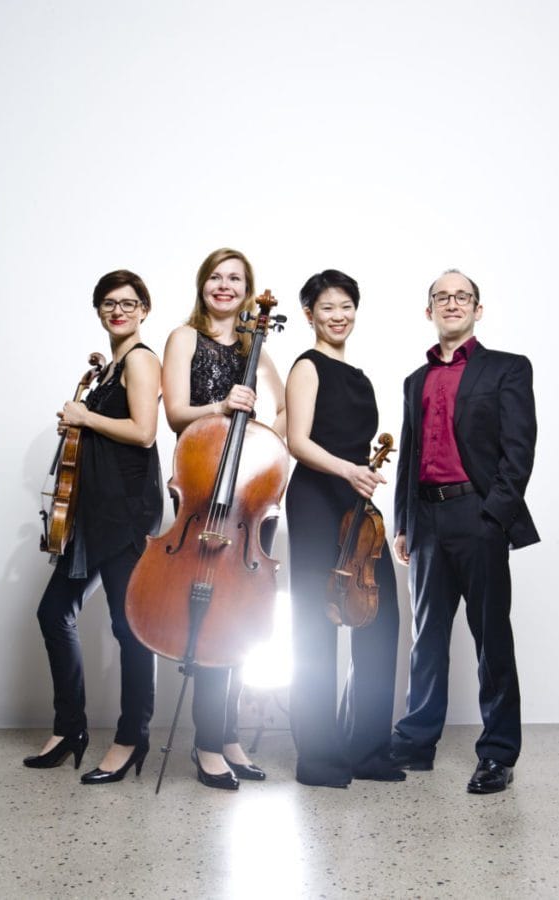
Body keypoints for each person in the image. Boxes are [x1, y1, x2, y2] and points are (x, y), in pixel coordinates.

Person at [392, 269, 539, 794]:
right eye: (441, 296)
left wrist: (493, 515)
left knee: (490, 638)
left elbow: (519, 450)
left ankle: (497, 753)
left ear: (478, 309)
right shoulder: (416, 380)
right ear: (428, 310)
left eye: (462, 296)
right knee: (426, 638)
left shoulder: (507, 369)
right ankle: (415, 743)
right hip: (426, 520)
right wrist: (403, 523)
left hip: (478, 516)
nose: (451, 303)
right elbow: (409, 456)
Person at [24, 270, 163, 785]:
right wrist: (81, 423)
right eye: (108, 303)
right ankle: (70, 729)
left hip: (125, 513)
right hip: (93, 513)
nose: (118, 310)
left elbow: (144, 433)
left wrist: (85, 418)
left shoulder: (142, 360)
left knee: (129, 629)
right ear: (99, 311)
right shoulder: (109, 370)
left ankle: (132, 737)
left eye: (128, 302)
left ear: (144, 309)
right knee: (53, 612)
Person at [162, 247, 285, 791]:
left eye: (235, 278)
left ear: (248, 290)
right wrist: (221, 406)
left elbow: (283, 410)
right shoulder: (184, 338)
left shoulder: (257, 348)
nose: (225, 285)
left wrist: (265, 432)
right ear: (202, 284)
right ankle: (207, 742)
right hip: (202, 492)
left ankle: (229, 735)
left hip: (250, 501)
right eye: (216, 276)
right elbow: (174, 414)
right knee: (209, 620)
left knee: (239, 617)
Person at [285, 269, 405, 788]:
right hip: (317, 499)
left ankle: (368, 750)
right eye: (327, 307)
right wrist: (349, 471)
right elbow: (297, 441)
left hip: (357, 507)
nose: (338, 316)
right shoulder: (306, 367)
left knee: (380, 616)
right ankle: (318, 757)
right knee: (315, 625)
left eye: (346, 306)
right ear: (309, 314)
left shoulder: (359, 376)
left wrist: (359, 475)